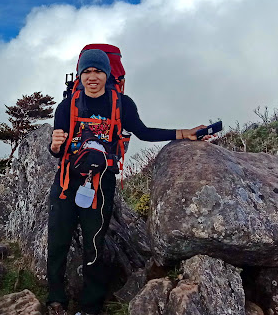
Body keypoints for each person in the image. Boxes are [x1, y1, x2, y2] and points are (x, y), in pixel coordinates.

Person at [46, 49, 209, 315]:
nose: (92, 77)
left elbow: (143, 132)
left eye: (98, 71)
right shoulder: (67, 106)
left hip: (100, 184)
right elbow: (58, 149)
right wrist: (53, 146)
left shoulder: (121, 104)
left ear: (107, 74)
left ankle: (90, 307)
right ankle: (55, 300)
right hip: (66, 183)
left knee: (95, 244)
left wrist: (183, 133)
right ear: (80, 76)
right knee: (58, 242)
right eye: (86, 72)